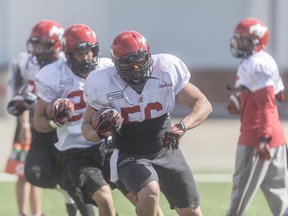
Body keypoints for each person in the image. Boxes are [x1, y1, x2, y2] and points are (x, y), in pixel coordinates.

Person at [81, 30, 212, 216]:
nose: (136, 69)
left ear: (148, 55)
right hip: (129, 152)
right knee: (150, 193)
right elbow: (86, 126)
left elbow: (203, 104)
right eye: (129, 65)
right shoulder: (102, 81)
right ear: (116, 65)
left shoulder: (167, 68)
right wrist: (100, 133)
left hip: (165, 148)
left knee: (192, 212)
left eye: (140, 62)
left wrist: (183, 126)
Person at [7, 19, 95, 216]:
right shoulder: (29, 62)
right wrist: (22, 101)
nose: (37, 49)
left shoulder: (68, 64)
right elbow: (28, 89)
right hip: (43, 125)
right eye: (35, 43)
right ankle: (66, 191)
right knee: (34, 173)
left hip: (68, 131)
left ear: (56, 44)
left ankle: (75, 198)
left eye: (43, 44)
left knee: (74, 180)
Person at [33, 23, 119, 216]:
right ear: (68, 54)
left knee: (142, 195)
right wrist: (56, 121)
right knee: (104, 199)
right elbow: (39, 123)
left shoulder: (108, 68)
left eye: (89, 51)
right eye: (80, 53)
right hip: (76, 150)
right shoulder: (52, 75)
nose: (86, 57)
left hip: (110, 144)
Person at [226, 18, 288, 216]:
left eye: (243, 39)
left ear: (256, 41)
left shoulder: (255, 64)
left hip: (257, 138)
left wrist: (263, 139)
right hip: (276, 136)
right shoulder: (264, 60)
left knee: (239, 197)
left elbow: (268, 104)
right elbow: (278, 95)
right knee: (280, 198)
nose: (238, 43)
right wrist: (240, 97)